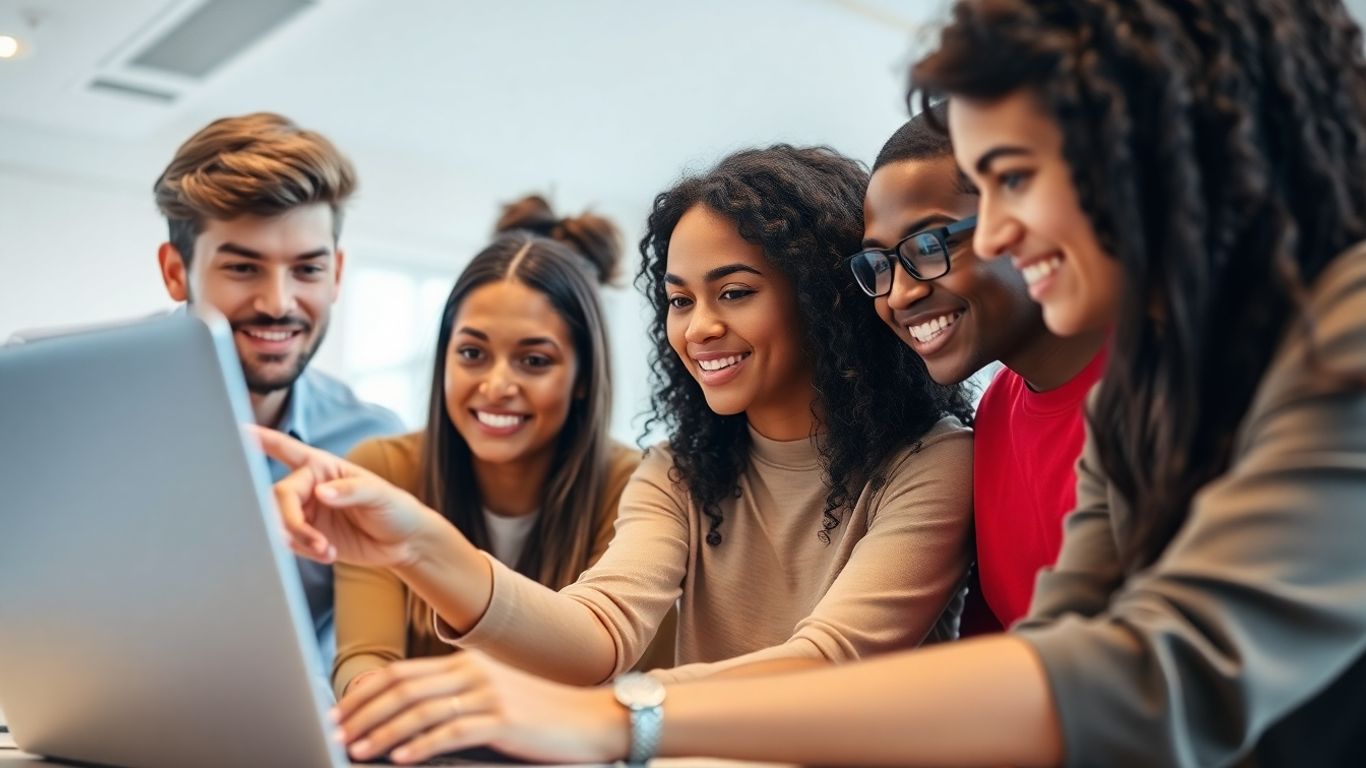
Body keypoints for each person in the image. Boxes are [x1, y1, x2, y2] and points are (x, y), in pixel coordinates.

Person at [293, 1, 1366, 765]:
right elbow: (1059, 656)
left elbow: (1149, 674)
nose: (995, 236)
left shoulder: (1342, 335)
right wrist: (428, 552)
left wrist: (628, 718)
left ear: (1153, 139)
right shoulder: (1148, 387)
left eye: (1013, 181)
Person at [258, 144, 976, 762]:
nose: (698, 328)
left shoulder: (930, 464)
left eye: (733, 292)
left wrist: (600, 713)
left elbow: (830, 664)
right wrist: (418, 544)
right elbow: (596, 632)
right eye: (680, 300)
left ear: (825, 298)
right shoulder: (679, 470)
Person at [333, 196, 674, 700]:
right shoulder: (382, 470)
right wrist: (372, 696)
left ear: (583, 376)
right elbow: (364, 656)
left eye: (534, 361)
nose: (495, 386)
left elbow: (633, 684)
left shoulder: (640, 489)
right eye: (472, 353)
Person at [153, 112, 404, 670]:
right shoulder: (80, 412)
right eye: (244, 268)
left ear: (336, 274)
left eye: (307, 270)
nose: (278, 303)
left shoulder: (376, 444)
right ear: (175, 272)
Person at [852, 106, 1106, 631]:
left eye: (930, 245)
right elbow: (989, 642)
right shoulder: (997, 409)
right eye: (881, 264)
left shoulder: (1175, 394)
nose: (900, 294)